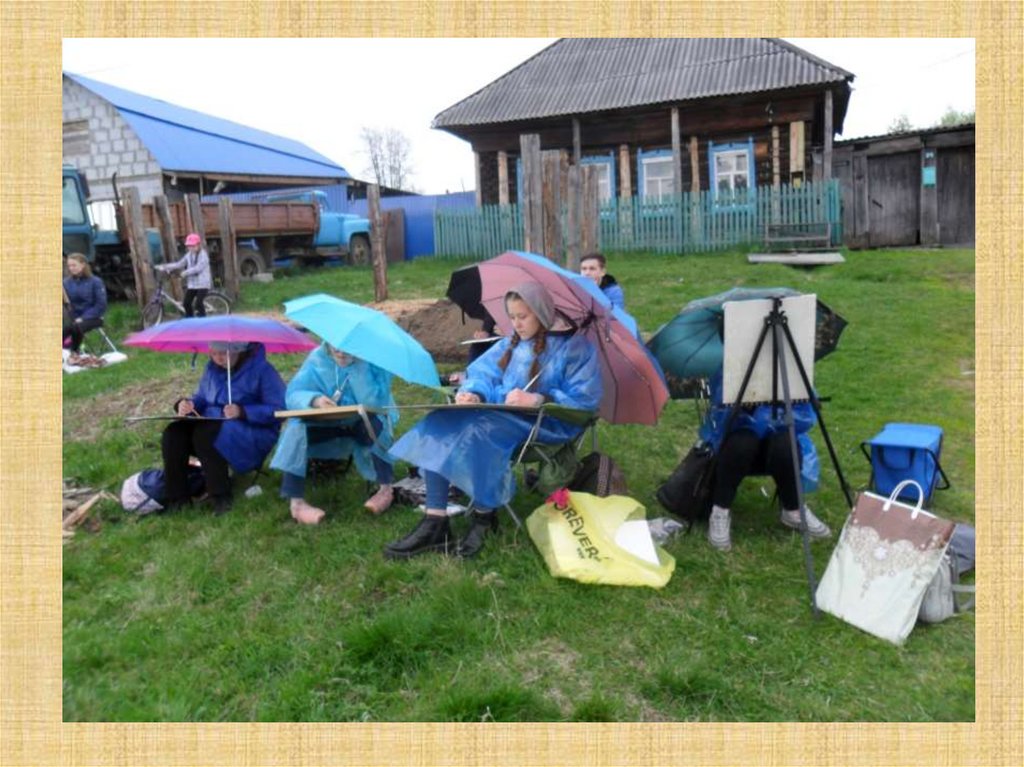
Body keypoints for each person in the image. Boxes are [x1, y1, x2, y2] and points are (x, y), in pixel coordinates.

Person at [385, 282, 603, 560]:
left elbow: (585, 400)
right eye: (512, 317)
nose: (516, 324)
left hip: (546, 422)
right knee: (441, 420)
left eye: (523, 316)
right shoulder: (511, 343)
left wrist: (539, 398)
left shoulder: (575, 348)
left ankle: (485, 518)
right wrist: (473, 393)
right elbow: (482, 375)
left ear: (541, 312)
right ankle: (435, 521)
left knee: (482, 431)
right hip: (501, 414)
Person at [698, 368, 829, 552]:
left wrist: (786, 404)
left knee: (785, 442)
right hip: (737, 442)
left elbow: (804, 417)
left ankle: (793, 510)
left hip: (777, 442)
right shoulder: (731, 365)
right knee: (742, 443)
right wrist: (743, 406)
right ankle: (720, 511)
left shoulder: (787, 365)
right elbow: (721, 415)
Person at [269, 342, 398, 525]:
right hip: (323, 424)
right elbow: (295, 393)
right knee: (296, 428)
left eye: (347, 348)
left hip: (358, 423)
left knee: (375, 424)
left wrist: (358, 370)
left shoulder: (372, 363)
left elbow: (376, 402)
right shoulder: (318, 359)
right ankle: (296, 503)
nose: (341, 353)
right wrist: (315, 400)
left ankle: (385, 488)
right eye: (335, 347)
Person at [161, 341, 286, 514]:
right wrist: (189, 405)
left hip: (253, 433)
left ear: (238, 350)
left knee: (206, 434)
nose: (218, 359)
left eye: (223, 353)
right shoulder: (211, 369)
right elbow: (202, 398)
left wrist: (242, 411)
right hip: (214, 424)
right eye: (213, 353)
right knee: (174, 433)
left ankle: (221, 496)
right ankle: (177, 499)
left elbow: (280, 409)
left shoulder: (263, 370)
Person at [155, 232, 212, 317]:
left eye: (193, 246)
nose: (191, 248)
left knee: (198, 304)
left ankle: (204, 321)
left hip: (203, 284)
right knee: (186, 303)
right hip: (192, 284)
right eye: (189, 246)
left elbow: (198, 268)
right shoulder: (189, 255)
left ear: (198, 245)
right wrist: (164, 267)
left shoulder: (203, 255)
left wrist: (184, 273)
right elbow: (179, 264)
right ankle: (190, 320)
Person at [63, 253, 107, 352]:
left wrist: (83, 318)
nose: (71, 268)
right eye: (69, 266)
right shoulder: (66, 283)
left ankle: (74, 351)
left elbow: (101, 305)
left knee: (76, 327)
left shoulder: (95, 282)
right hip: (74, 318)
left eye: (74, 265)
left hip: (94, 317)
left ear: (83, 265)